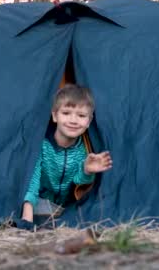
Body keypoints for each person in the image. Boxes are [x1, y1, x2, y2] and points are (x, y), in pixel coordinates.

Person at [21, 84, 112, 223]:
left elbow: (78, 182)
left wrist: (86, 171)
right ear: (55, 115)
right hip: (38, 201)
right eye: (66, 113)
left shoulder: (84, 149)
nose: (73, 120)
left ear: (89, 121)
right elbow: (32, 181)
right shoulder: (42, 146)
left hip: (66, 208)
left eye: (81, 115)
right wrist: (27, 216)